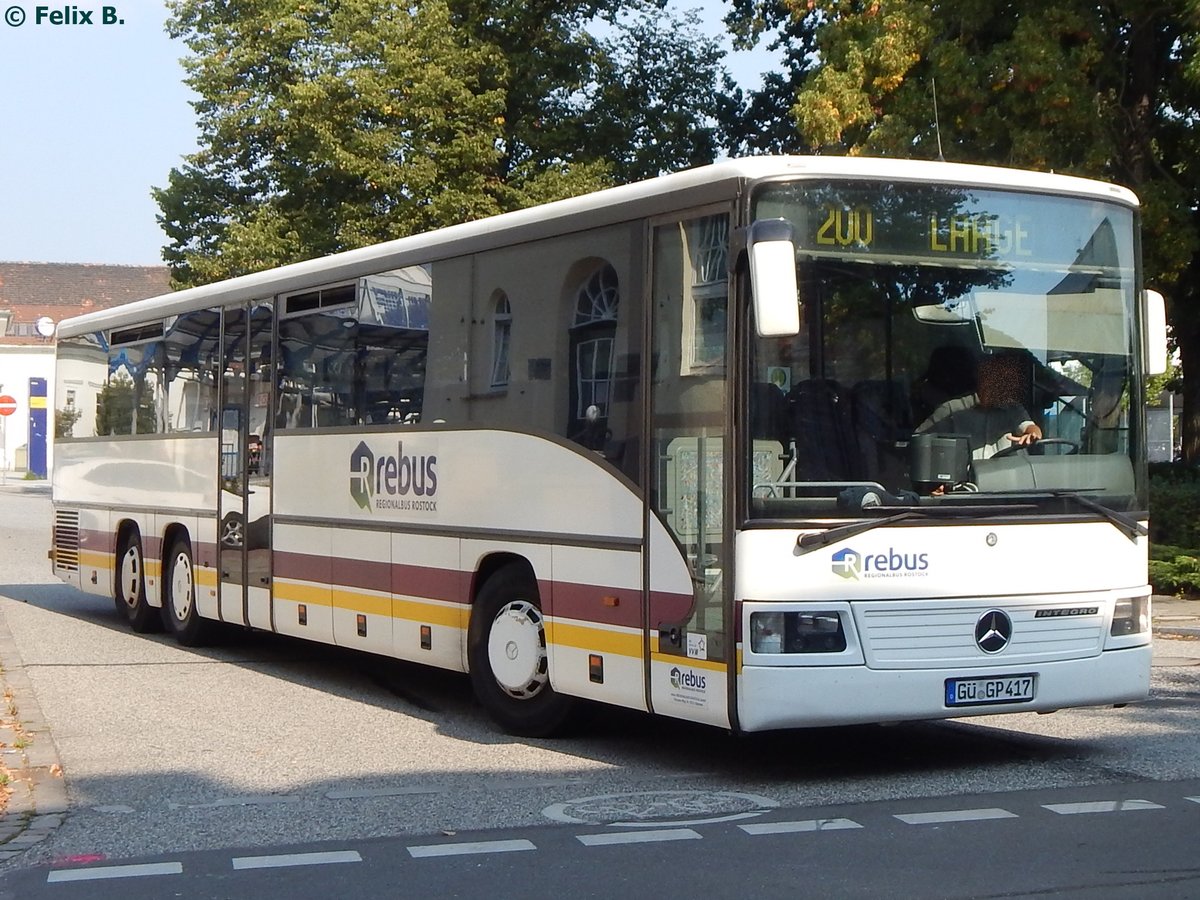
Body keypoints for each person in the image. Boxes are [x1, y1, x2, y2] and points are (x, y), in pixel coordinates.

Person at [914, 352, 1042, 460]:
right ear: (982, 378)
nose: (1002, 385)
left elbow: (1031, 428)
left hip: (1009, 486)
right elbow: (919, 443)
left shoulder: (1013, 410)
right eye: (996, 378)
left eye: (1008, 381)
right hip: (965, 487)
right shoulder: (952, 410)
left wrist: (1032, 435)